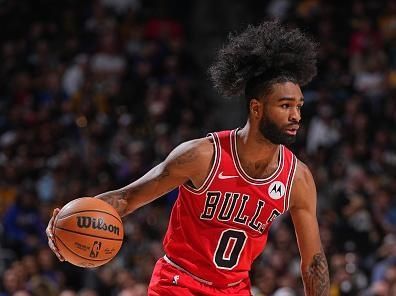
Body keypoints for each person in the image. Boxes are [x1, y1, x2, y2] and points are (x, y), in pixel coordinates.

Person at [47, 21, 330, 296]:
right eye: (285, 105)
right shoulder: (202, 155)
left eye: (298, 106)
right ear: (256, 109)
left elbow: (313, 263)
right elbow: (127, 197)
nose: (296, 116)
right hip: (178, 283)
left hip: (234, 290)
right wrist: (68, 222)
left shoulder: (298, 177)